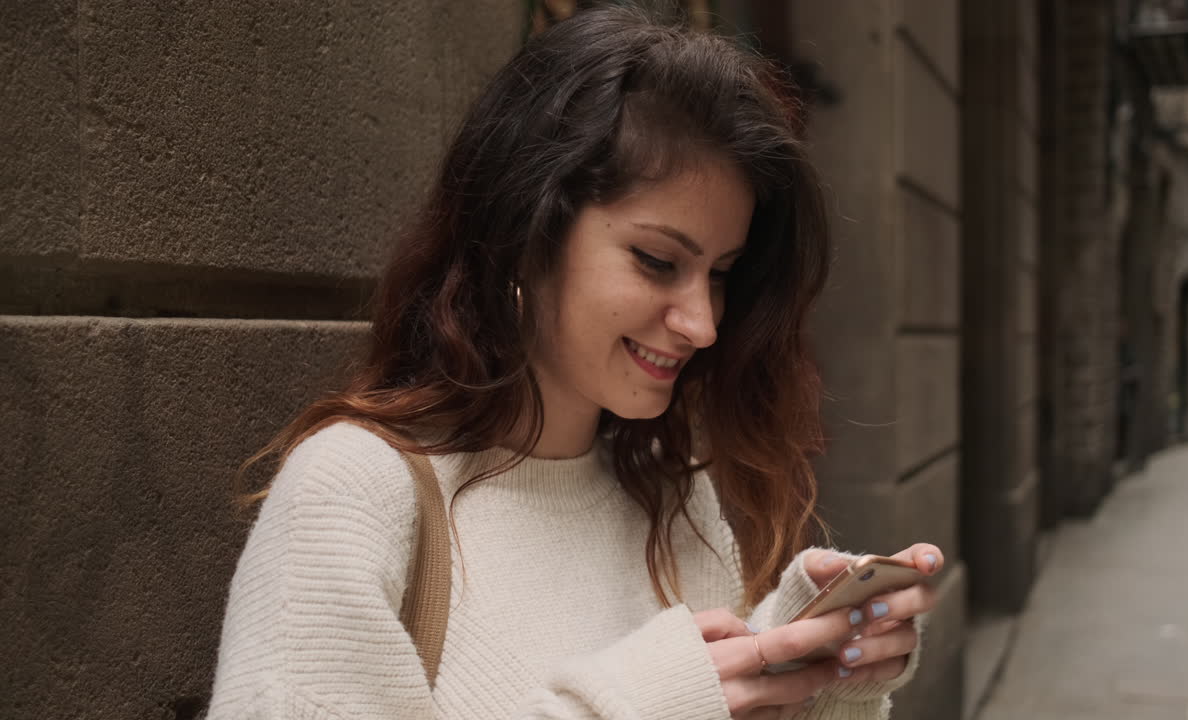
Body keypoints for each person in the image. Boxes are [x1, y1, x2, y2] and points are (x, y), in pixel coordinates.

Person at [207, 6, 943, 719]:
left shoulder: (672, 493)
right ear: (527, 231)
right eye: (658, 261)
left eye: (720, 273)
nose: (704, 324)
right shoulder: (352, 491)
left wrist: (813, 679)